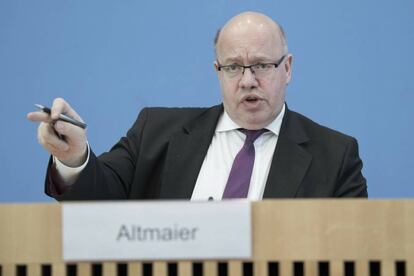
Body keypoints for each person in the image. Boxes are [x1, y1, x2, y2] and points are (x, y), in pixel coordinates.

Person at [27, 11, 367, 201]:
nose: (248, 80)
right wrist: (74, 158)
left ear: (288, 68)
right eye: (233, 67)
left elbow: (354, 248)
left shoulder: (335, 156)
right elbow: (98, 200)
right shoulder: (154, 133)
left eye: (262, 65)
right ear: (217, 72)